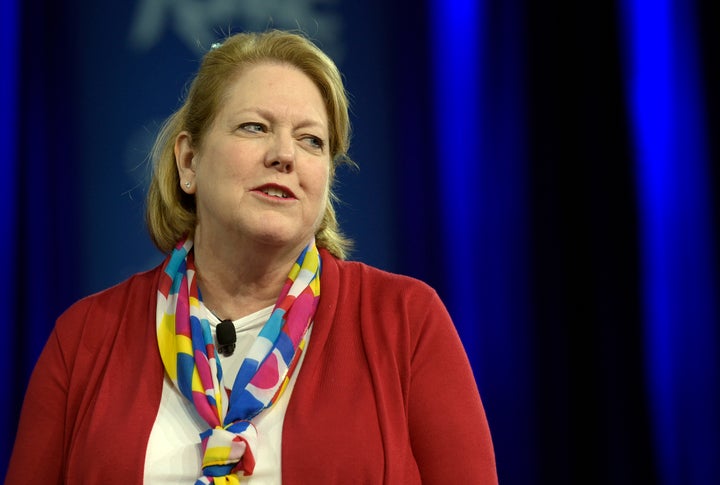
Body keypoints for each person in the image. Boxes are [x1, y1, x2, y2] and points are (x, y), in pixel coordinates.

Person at [6, 30, 497, 484]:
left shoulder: (406, 321)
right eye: (254, 127)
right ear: (189, 161)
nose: (285, 155)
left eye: (311, 140)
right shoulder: (85, 338)